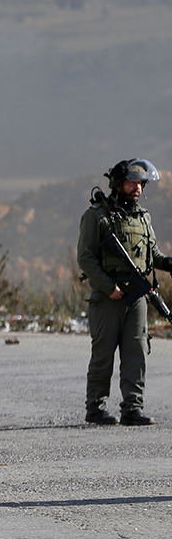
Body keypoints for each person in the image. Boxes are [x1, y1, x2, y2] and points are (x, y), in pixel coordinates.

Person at [78, 158, 172, 426]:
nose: (138, 188)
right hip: (108, 298)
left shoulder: (143, 217)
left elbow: (152, 254)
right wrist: (109, 288)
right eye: (132, 182)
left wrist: (167, 263)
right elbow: (86, 258)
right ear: (118, 184)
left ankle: (132, 408)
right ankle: (95, 408)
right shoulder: (97, 215)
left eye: (141, 183)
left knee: (136, 352)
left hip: (137, 297)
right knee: (103, 354)